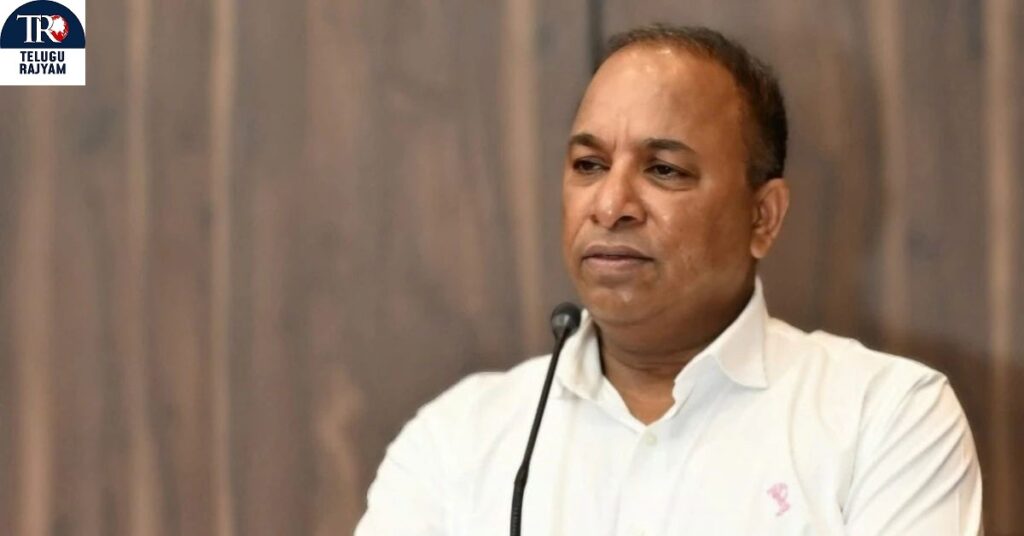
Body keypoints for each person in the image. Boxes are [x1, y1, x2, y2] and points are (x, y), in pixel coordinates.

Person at [355, 25, 982, 535]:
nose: (610, 205)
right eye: (589, 164)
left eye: (663, 170)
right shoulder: (457, 439)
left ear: (762, 217)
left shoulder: (886, 419)